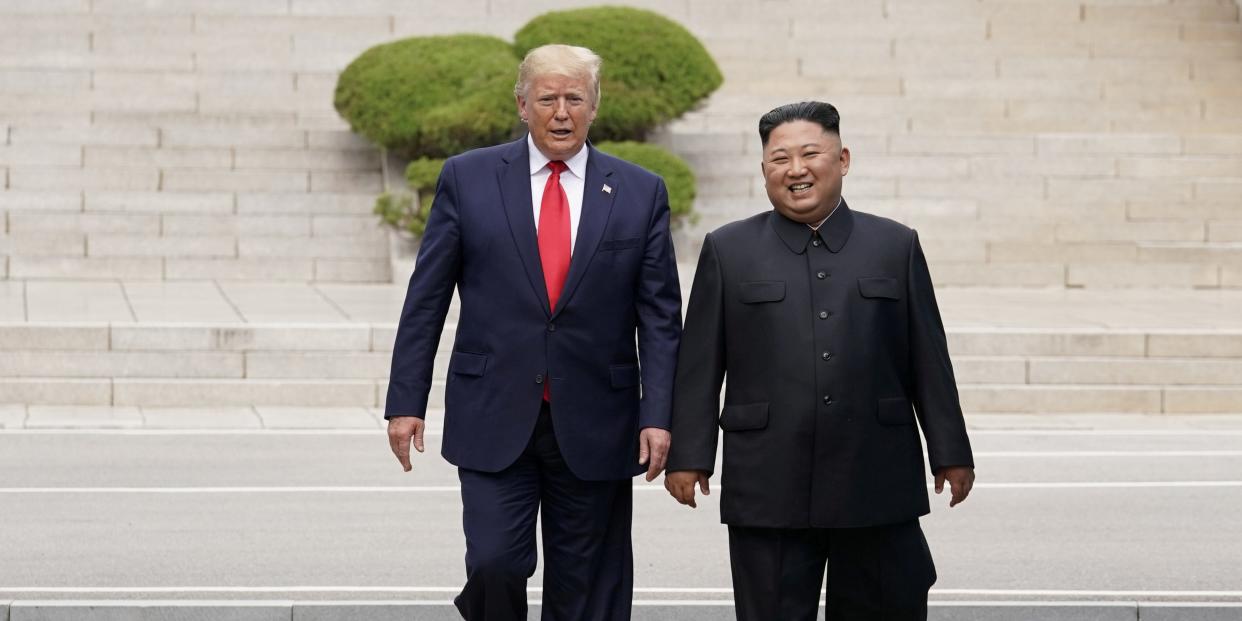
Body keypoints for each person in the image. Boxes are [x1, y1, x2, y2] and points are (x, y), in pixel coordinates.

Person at [383, 44, 682, 620]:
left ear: (595, 107)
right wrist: (405, 401)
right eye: (548, 99)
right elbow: (427, 300)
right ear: (522, 105)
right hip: (494, 409)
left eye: (575, 98)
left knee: (589, 583)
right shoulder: (467, 178)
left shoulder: (640, 191)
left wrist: (659, 414)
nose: (562, 112)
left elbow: (661, 317)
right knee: (494, 561)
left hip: (599, 415)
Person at [664, 101, 975, 621]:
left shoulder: (894, 245)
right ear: (764, 170)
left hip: (875, 474)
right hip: (768, 480)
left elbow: (928, 356)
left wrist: (950, 450)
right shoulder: (729, 249)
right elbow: (699, 364)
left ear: (843, 159)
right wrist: (689, 456)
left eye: (811, 154)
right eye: (779, 158)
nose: (796, 169)